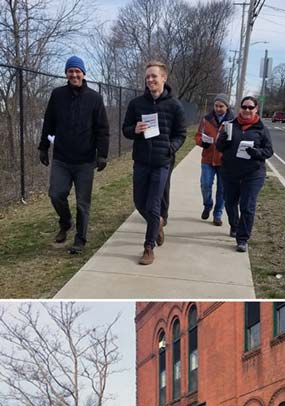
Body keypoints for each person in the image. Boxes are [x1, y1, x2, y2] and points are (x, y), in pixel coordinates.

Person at [38, 55, 109, 255]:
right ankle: (66, 222)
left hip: (85, 160)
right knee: (56, 194)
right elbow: (48, 122)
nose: (74, 74)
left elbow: (102, 129)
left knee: (83, 203)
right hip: (61, 158)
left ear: (83, 73)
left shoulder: (95, 98)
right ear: (66, 74)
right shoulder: (57, 95)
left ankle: (80, 239)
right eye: (71, 71)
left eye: (78, 71)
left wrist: (102, 154)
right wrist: (43, 147)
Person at [122, 61, 186, 265]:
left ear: (164, 78)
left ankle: (148, 247)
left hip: (162, 162)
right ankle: (157, 222)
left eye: (154, 76)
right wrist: (135, 130)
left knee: (154, 203)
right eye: (147, 76)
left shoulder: (175, 105)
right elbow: (125, 129)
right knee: (139, 202)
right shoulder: (136, 104)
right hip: (141, 160)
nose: (150, 80)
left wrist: (170, 148)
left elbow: (181, 134)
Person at [216, 95, 273, 253]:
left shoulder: (261, 129)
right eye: (244, 107)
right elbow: (219, 147)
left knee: (247, 206)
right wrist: (224, 141)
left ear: (255, 109)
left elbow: (269, 151)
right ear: (239, 109)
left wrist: (256, 152)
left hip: (253, 174)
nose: (247, 110)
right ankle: (234, 225)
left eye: (250, 107)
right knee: (229, 202)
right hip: (230, 172)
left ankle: (242, 239)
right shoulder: (230, 126)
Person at [195, 94, 235, 226]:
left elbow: (236, 139)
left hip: (224, 161)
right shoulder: (206, 119)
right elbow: (198, 135)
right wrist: (202, 142)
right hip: (207, 159)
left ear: (227, 106)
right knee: (205, 185)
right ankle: (208, 204)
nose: (218, 108)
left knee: (222, 189)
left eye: (221, 106)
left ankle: (218, 214)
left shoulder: (233, 121)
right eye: (216, 105)